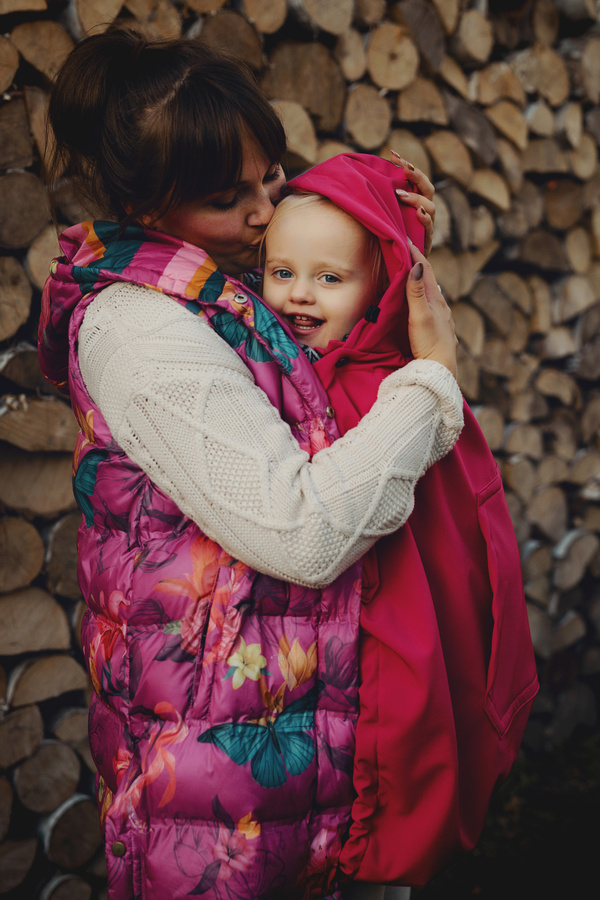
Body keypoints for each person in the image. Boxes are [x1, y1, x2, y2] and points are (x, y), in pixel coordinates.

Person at [38, 26, 463, 900]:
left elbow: (326, 252)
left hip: (267, 734)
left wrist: (395, 213)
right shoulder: (143, 333)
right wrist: (432, 387)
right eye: (234, 198)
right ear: (148, 204)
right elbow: (302, 533)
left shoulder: (212, 278)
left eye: (271, 174)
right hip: (210, 769)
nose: (269, 211)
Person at [259, 152, 538, 897]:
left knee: (378, 832)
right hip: (294, 666)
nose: (298, 296)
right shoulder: (275, 369)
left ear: (380, 287)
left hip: (376, 646)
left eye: (330, 278)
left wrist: (405, 234)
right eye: (280, 273)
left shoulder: (391, 389)